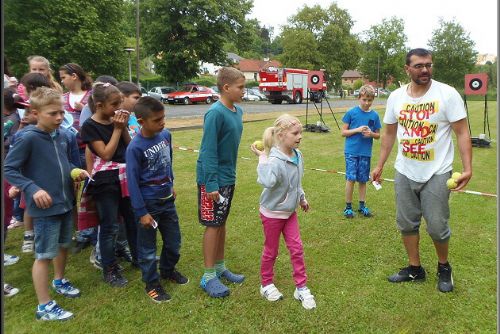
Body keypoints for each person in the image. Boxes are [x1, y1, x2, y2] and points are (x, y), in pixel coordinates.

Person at [371, 48, 472, 293]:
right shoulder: (396, 97)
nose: (425, 69)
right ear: (407, 69)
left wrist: (468, 168)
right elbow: (389, 134)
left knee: (437, 226)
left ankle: (444, 267)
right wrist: (381, 164)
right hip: (405, 170)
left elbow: (462, 132)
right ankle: (415, 268)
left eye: (428, 64)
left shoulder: (447, 94)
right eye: (418, 66)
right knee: (406, 223)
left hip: (437, 172)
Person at [4, 87, 89, 321]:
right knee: (44, 254)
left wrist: (75, 171)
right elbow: (9, 168)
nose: (60, 118)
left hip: (64, 203)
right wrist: (32, 188)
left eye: (61, 112)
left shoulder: (63, 135)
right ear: (35, 112)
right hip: (43, 209)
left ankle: (59, 280)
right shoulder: (28, 137)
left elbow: (66, 164)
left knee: (63, 245)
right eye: (53, 113)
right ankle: (44, 306)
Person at [250, 114, 317, 310]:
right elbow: (268, 181)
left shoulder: (298, 155)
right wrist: (262, 158)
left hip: (290, 213)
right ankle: (266, 284)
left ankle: (301, 287)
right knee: (271, 251)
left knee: (297, 249)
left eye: (300, 133)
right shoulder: (274, 160)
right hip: (272, 214)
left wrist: (302, 198)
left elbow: (296, 183)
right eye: (295, 133)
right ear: (281, 135)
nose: (300, 137)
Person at [126, 97, 188, 303]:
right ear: (141, 121)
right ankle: (151, 284)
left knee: (174, 242)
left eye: (163, 118)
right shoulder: (135, 148)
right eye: (157, 119)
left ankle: (167, 270)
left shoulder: (165, 135)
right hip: (149, 205)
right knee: (147, 249)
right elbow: (132, 182)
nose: (162, 123)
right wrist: (141, 211)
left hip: (167, 200)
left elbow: (167, 162)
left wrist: (171, 185)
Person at [80, 82, 137, 287]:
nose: (119, 107)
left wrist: (122, 129)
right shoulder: (90, 126)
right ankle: (109, 268)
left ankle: (139, 257)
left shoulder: (117, 120)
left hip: (124, 176)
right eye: (114, 104)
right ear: (99, 105)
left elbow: (130, 147)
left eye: (120, 102)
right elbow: (105, 153)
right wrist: (117, 129)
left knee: (132, 219)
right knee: (110, 226)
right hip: (105, 182)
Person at [196, 67, 246, 298]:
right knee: (213, 224)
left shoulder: (238, 111)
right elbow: (208, 151)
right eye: (241, 87)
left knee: (221, 221)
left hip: (228, 177)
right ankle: (208, 276)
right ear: (226, 88)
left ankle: (219, 266)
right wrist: (211, 184)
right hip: (213, 180)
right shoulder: (215, 113)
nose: (244, 91)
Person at [341, 85, 381, 218]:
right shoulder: (351, 113)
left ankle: (362, 206)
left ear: (373, 100)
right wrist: (357, 130)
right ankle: (348, 207)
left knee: (363, 180)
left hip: (365, 153)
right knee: (351, 178)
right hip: (351, 152)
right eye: (364, 99)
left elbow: (378, 135)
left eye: (369, 100)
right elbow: (343, 132)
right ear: (359, 98)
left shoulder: (374, 115)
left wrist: (371, 134)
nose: (366, 103)